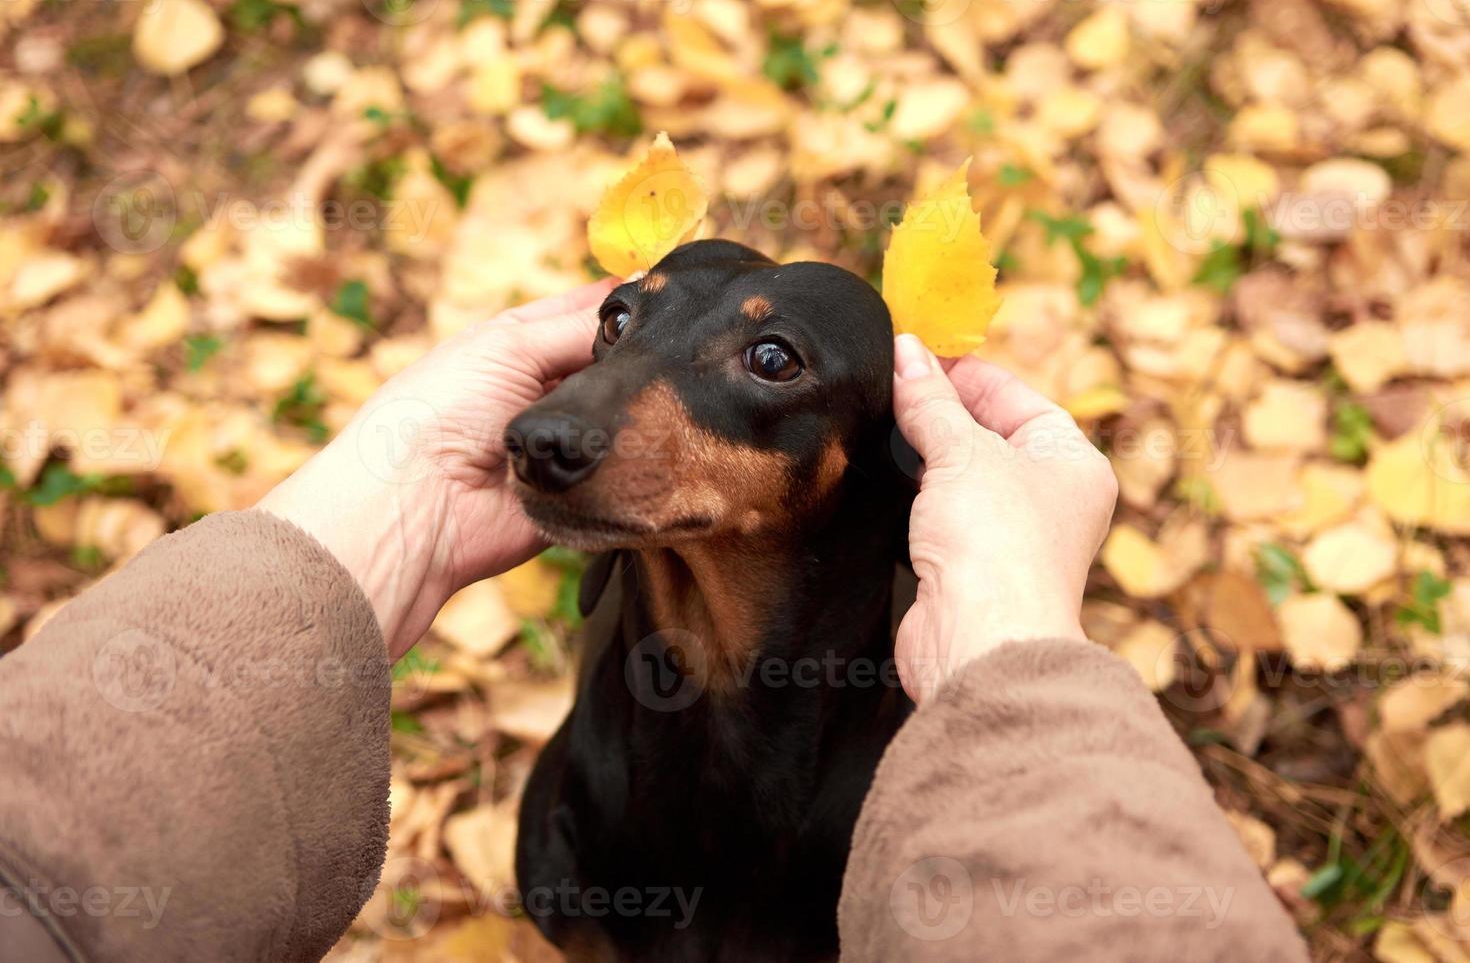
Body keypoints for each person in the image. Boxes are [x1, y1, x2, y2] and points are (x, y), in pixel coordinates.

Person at [0, 282, 1309, 962]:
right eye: (622, 322)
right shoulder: (574, 843)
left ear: (878, 468)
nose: (560, 430)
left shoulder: (889, 892)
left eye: (771, 362)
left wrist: (1011, 628)